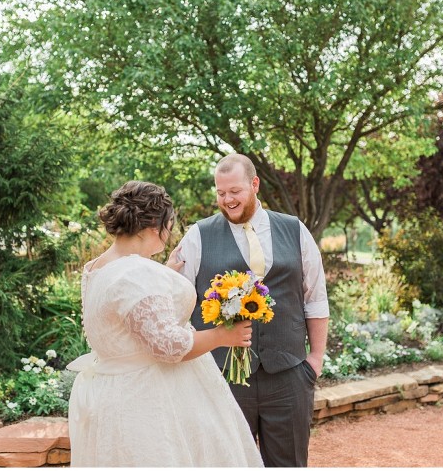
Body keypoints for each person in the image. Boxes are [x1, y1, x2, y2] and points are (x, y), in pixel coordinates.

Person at [67, 180, 263, 468]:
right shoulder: (137, 273)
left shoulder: (98, 267)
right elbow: (169, 346)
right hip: (150, 400)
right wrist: (223, 335)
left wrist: (164, 273)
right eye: (168, 226)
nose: (169, 235)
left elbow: (128, 317)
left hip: (114, 393)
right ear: (152, 227)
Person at [170, 153, 329, 467]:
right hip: (223, 379)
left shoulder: (295, 230)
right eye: (221, 193)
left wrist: (314, 362)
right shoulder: (198, 236)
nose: (227, 200)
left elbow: (315, 299)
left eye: (235, 191)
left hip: (288, 375)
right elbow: (175, 303)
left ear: (254, 184)